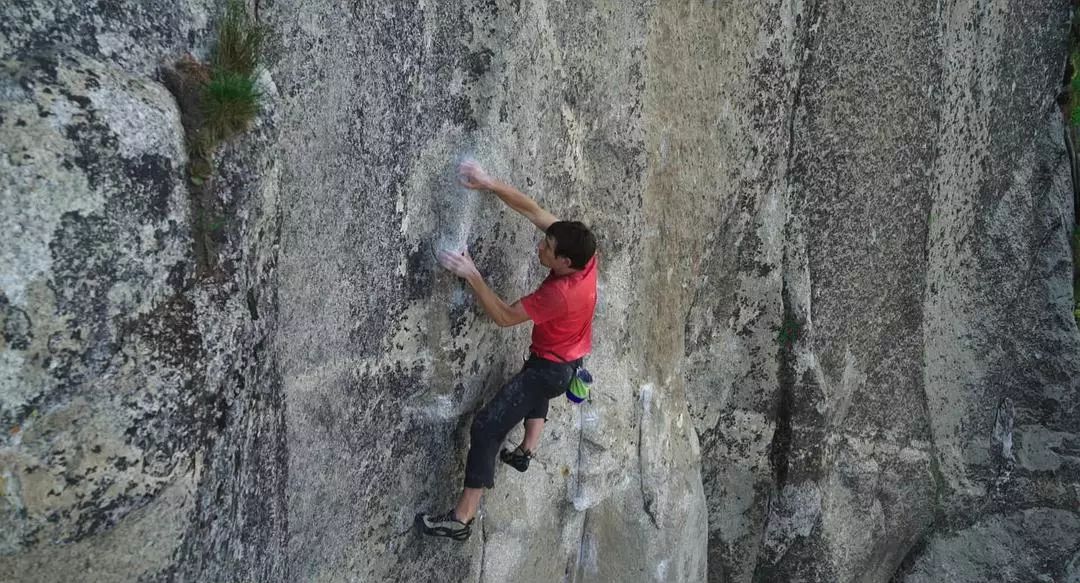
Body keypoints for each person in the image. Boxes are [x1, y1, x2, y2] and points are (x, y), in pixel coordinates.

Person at [417, 160, 598, 541]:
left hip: (550, 371)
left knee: (487, 426)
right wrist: (488, 183)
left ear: (564, 263)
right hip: (569, 358)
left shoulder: (558, 295)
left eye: (547, 250)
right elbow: (532, 210)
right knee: (536, 381)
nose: (541, 247)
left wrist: (473, 275)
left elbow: (503, 316)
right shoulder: (584, 254)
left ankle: (462, 518)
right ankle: (527, 449)